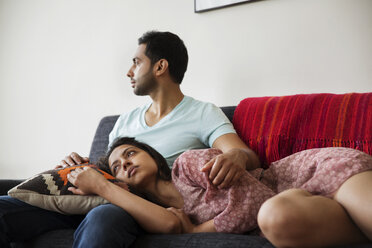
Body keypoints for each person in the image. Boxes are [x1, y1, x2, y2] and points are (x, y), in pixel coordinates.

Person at [0, 31, 259, 248]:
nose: (128, 72)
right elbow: (108, 170)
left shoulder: (202, 113)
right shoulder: (124, 121)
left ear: (160, 66)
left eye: (136, 62)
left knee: (104, 219)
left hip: (143, 205)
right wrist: (80, 163)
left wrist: (236, 155)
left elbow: (245, 155)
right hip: (106, 194)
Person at [67, 136, 372, 248]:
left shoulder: (188, 165)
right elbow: (266, 212)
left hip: (312, 173)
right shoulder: (162, 217)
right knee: (276, 219)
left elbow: (256, 200)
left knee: (270, 212)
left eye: (131, 153)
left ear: (153, 155)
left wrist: (197, 231)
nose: (127, 163)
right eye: (118, 166)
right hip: (291, 211)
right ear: (121, 183)